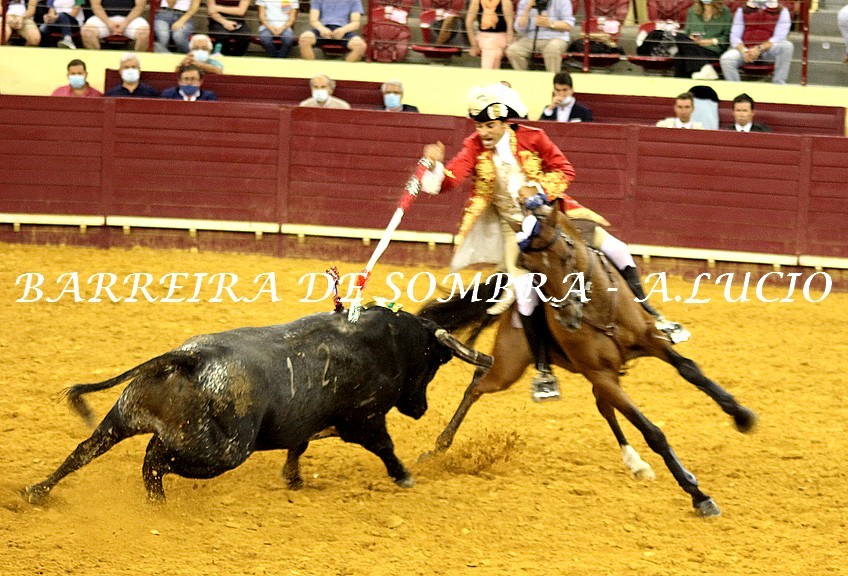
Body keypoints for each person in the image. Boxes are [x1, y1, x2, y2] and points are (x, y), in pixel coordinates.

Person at [420, 85, 689, 399]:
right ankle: (543, 370)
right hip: (514, 231)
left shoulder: (533, 137)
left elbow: (564, 169)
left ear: (505, 122)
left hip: (554, 217)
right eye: (479, 126)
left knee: (618, 249)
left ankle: (654, 317)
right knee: (525, 292)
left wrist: (537, 194)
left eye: (490, 126)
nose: (484, 133)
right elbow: (450, 179)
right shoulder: (473, 146)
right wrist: (434, 167)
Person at [719, 0, 794, 85]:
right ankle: (736, 88)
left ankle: (779, 83)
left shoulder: (782, 11)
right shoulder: (742, 10)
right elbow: (735, 36)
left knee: (787, 46)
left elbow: (779, 37)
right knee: (726, 59)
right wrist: (744, 51)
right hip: (746, 50)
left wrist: (759, 49)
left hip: (768, 51)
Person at [506, 0, 574, 73]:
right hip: (531, 38)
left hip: (556, 37)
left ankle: (553, 77)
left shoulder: (562, 1)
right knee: (513, 51)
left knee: (552, 49)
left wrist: (550, 24)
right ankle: (525, 77)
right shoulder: (525, 1)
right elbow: (519, 28)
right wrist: (527, 10)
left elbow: (568, 25)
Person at [297, 0, 367, 63]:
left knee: (360, 46)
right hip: (323, 28)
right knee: (304, 39)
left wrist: (343, 30)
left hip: (344, 30)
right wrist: (322, 29)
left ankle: (343, 71)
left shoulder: (355, 1)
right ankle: (312, 70)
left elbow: (355, 23)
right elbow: (313, 20)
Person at [81, 0, 150, 52]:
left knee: (144, 34)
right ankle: (97, 60)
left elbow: (140, 6)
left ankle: (136, 62)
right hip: (104, 18)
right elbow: (96, 5)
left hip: (130, 18)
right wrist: (108, 22)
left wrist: (125, 23)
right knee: (87, 32)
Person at [465, 0, 514, 69]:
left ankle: (488, 70)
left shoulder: (505, 2)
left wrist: (508, 45)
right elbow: (468, 23)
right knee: (490, 46)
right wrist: (474, 44)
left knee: (491, 47)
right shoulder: (477, 1)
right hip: (483, 37)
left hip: (501, 37)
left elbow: (510, 26)